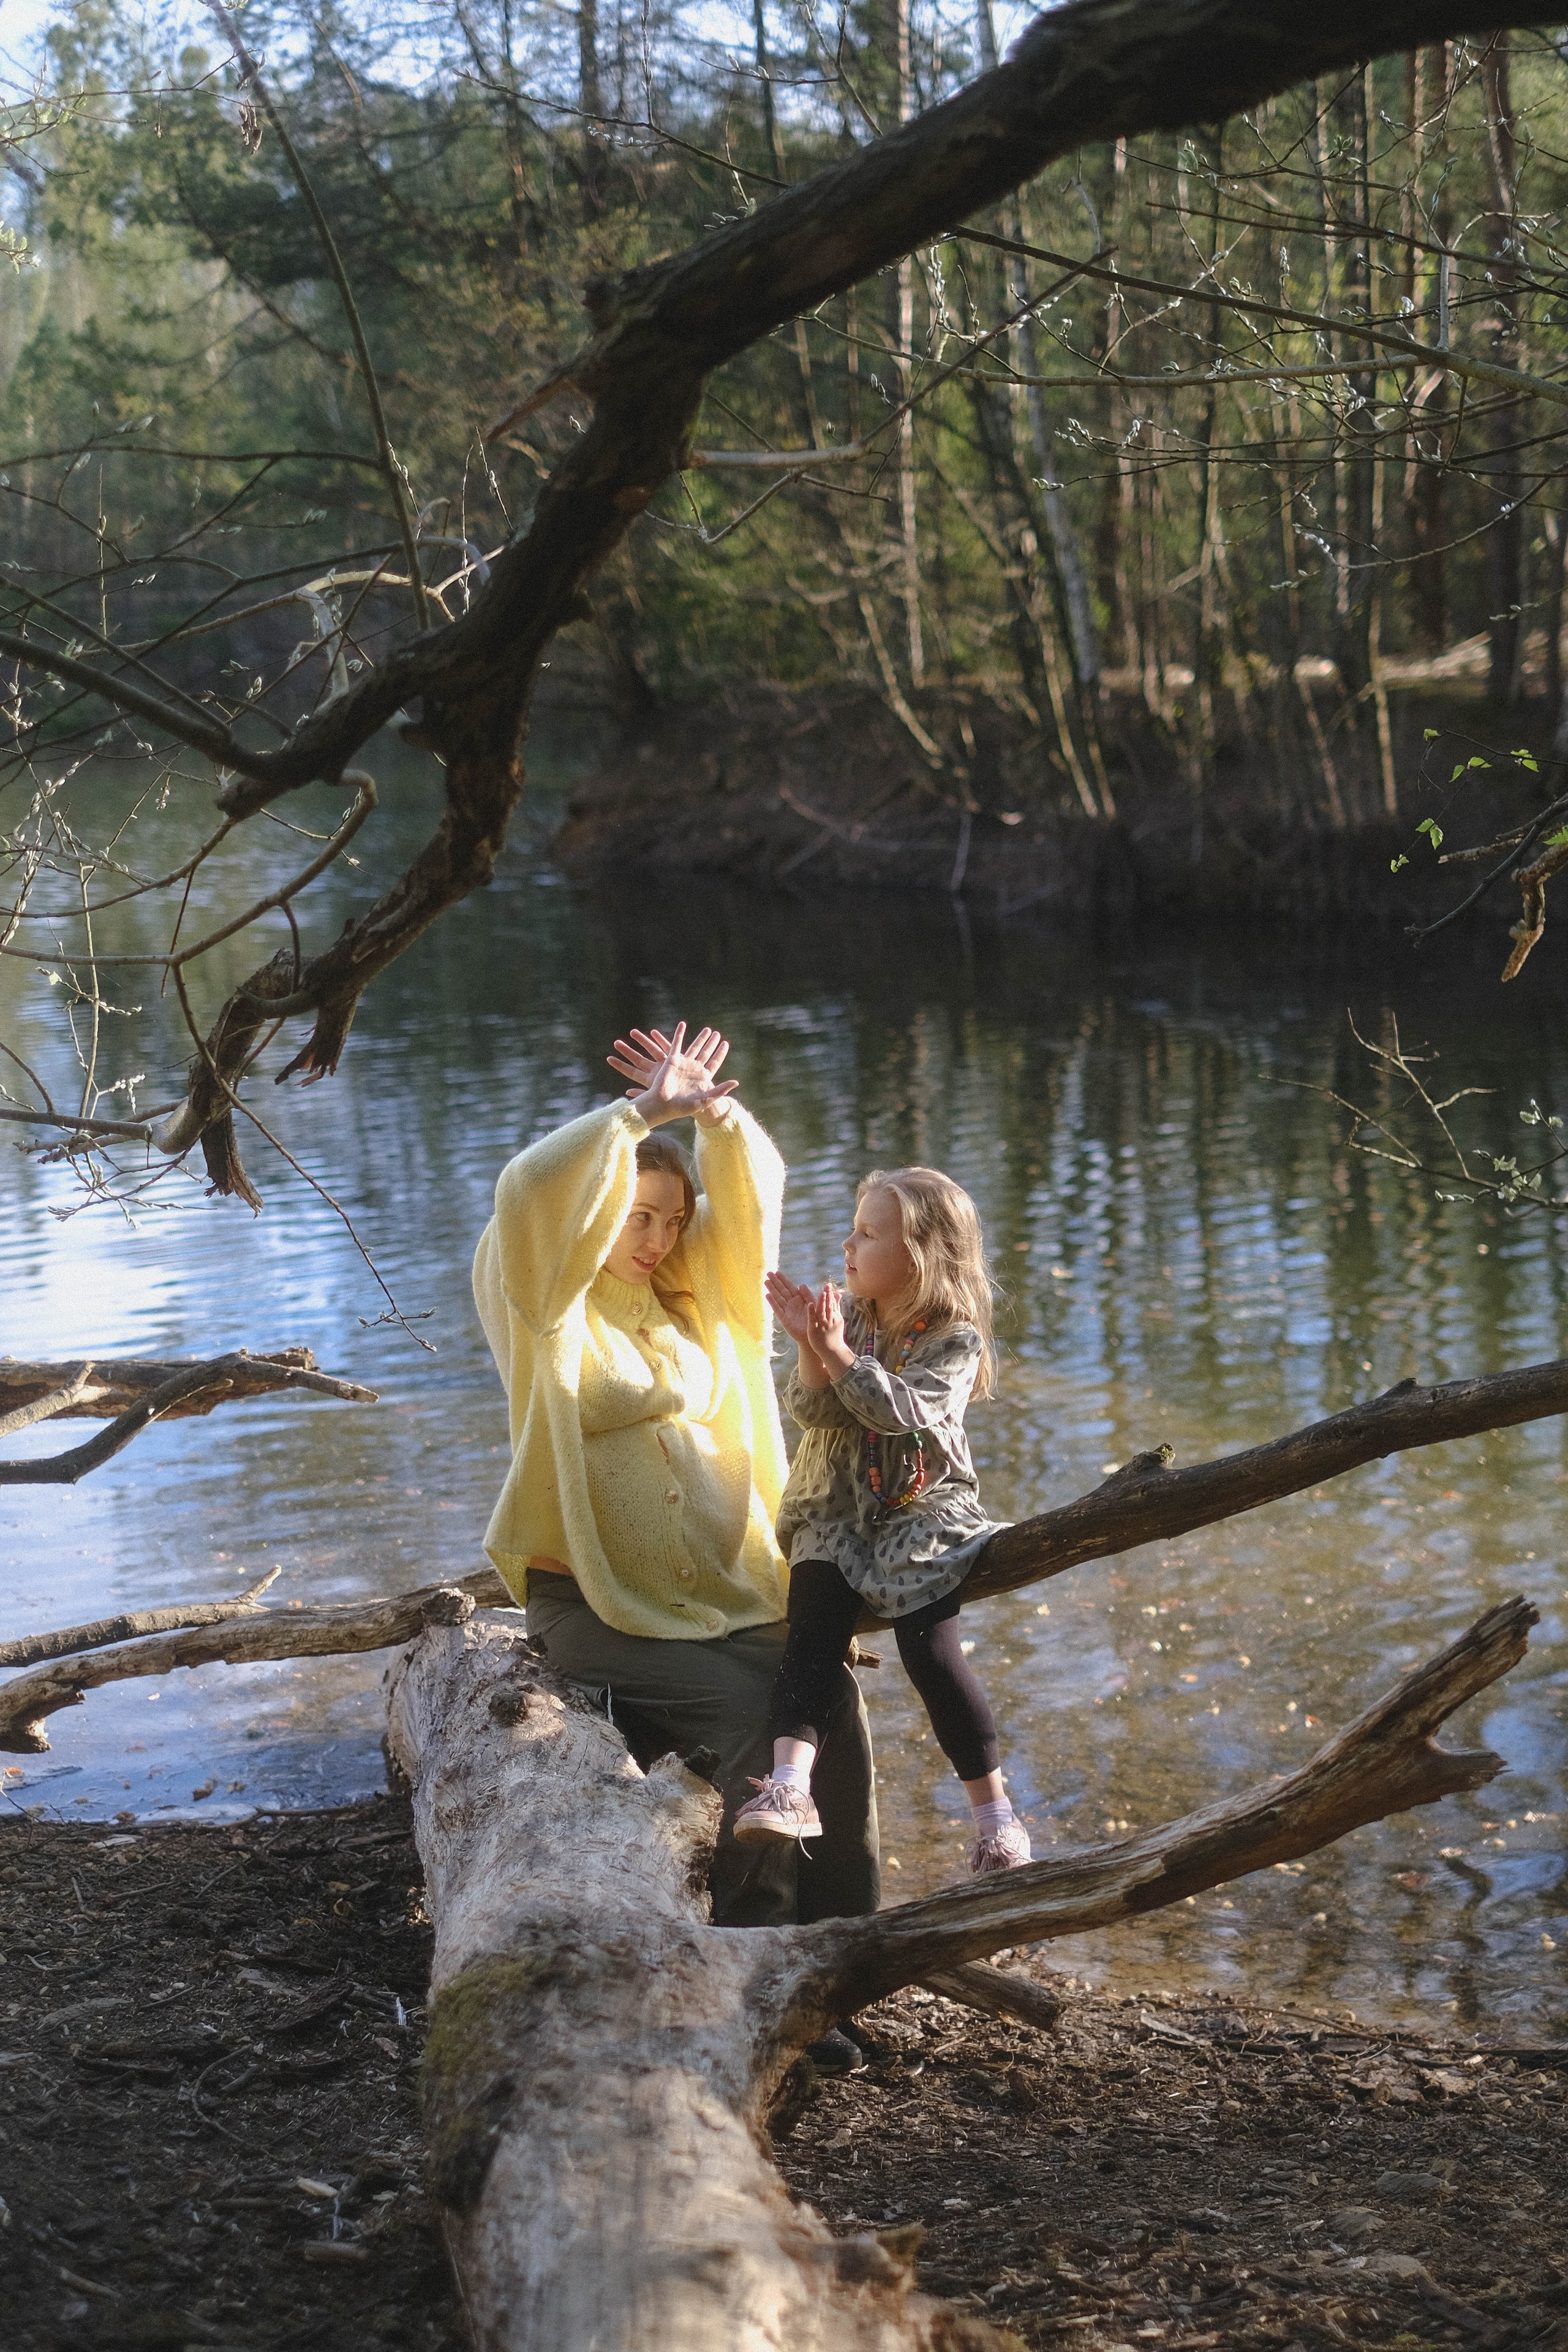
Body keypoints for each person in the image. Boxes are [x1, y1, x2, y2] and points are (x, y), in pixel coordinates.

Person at [472, 1020, 879, 1945]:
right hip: (598, 1606)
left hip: (723, 1597)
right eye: (637, 1217)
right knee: (752, 1722)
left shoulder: (701, 1306)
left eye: (672, 1219)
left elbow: (753, 1210)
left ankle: (848, 1945)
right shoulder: (546, 1307)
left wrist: (716, 1119)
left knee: (831, 1705)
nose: (658, 1239)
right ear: (596, 1213)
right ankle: (755, 1956)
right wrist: (640, 1115)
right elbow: (527, 1192)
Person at [737, 1166, 1030, 1876]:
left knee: (930, 1653)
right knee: (811, 1635)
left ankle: (996, 1821)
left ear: (921, 1256)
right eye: (853, 1229)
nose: (848, 1244)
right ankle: (790, 1788)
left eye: (868, 1234)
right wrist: (810, 1346)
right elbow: (814, 1412)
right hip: (836, 1509)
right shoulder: (849, 1316)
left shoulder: (954, 1339)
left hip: (918, 1511)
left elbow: (901, 1414)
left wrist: (837, 1353)